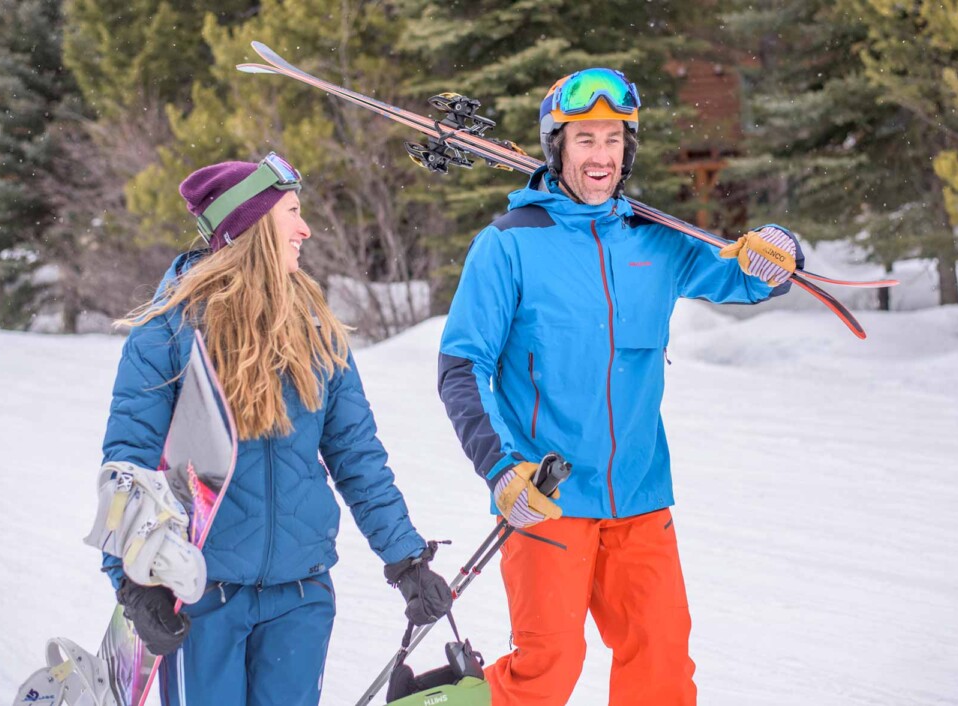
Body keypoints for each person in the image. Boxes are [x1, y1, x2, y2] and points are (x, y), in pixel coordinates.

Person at [436, 69, 804, 705]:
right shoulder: (508, 246)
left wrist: (779, 249)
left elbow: (744, 277)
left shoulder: (656, 241)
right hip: (546, 497)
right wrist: (501, 470)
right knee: (547, 669)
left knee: (661, 668)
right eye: (585, 140)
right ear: (558, 147)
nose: (601, 155)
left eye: (613, 139)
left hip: (639, 497)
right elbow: (462, 367)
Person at [92, 153, 452, 706]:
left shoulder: (317, 333)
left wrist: (405, 558)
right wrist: (132, 584)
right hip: (199, 597)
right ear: (252, 226)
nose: (305, 228)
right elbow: (127, 468)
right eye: (292, 212)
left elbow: (357, 458)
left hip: (301, 596)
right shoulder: (167, 336)